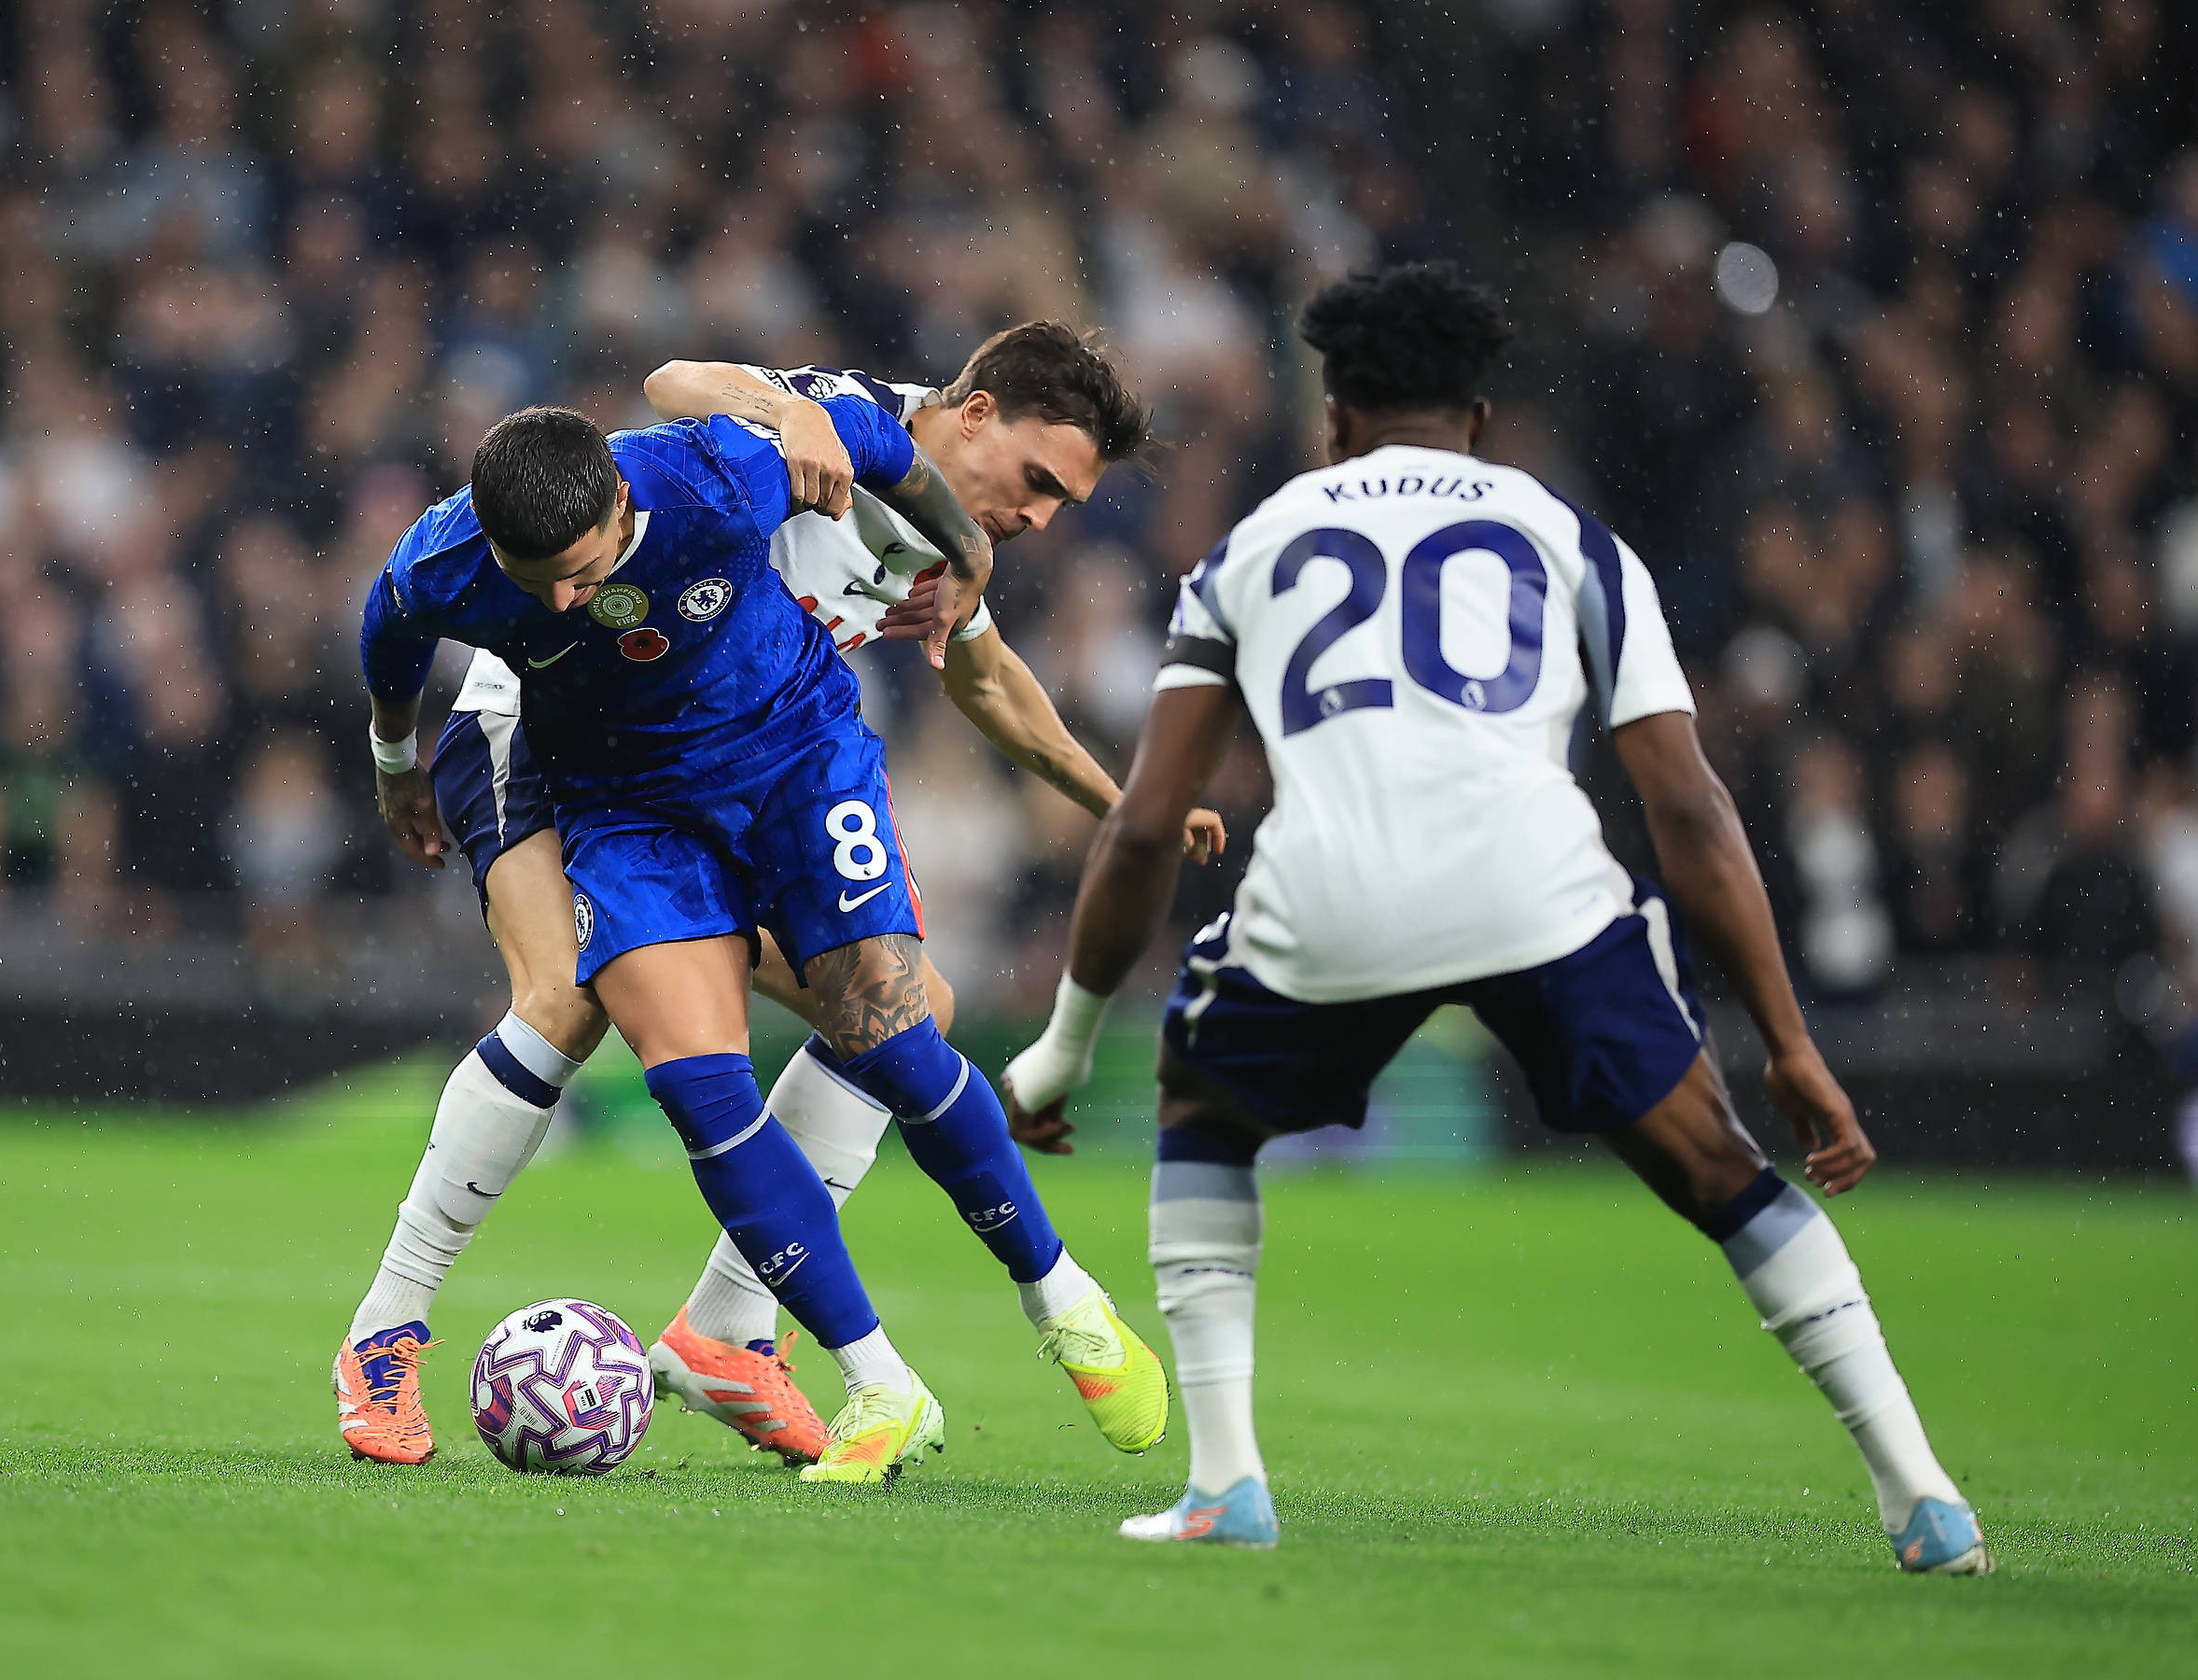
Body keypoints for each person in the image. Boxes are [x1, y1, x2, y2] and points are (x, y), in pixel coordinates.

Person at [1004, 263, 1992, 1573]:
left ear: (1335, 417)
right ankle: (1922, 1494)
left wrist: (1065, 1044)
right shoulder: (1571, 538)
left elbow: (1143, 824)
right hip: (1537, 893)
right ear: (1476, 417)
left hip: (1336, 891)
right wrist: (1793, 1044)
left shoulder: (1254, 546)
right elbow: (1689, 808)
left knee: (1206, 1108)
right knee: (1721, 1171)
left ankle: (1228, 1482)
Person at [346, 327, 1219, 1469]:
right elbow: (672, 385)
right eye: (1038, 480)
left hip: (741, 764)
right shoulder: (820, 426)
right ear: (974, 415)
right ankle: (384, 1329)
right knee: (566, 996)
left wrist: (1124, 804)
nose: (1041, 515)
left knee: (912, 1015)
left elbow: (989, 681)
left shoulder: (940, 535)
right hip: (547, 735)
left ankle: (729, 1328)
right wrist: (790, 411)